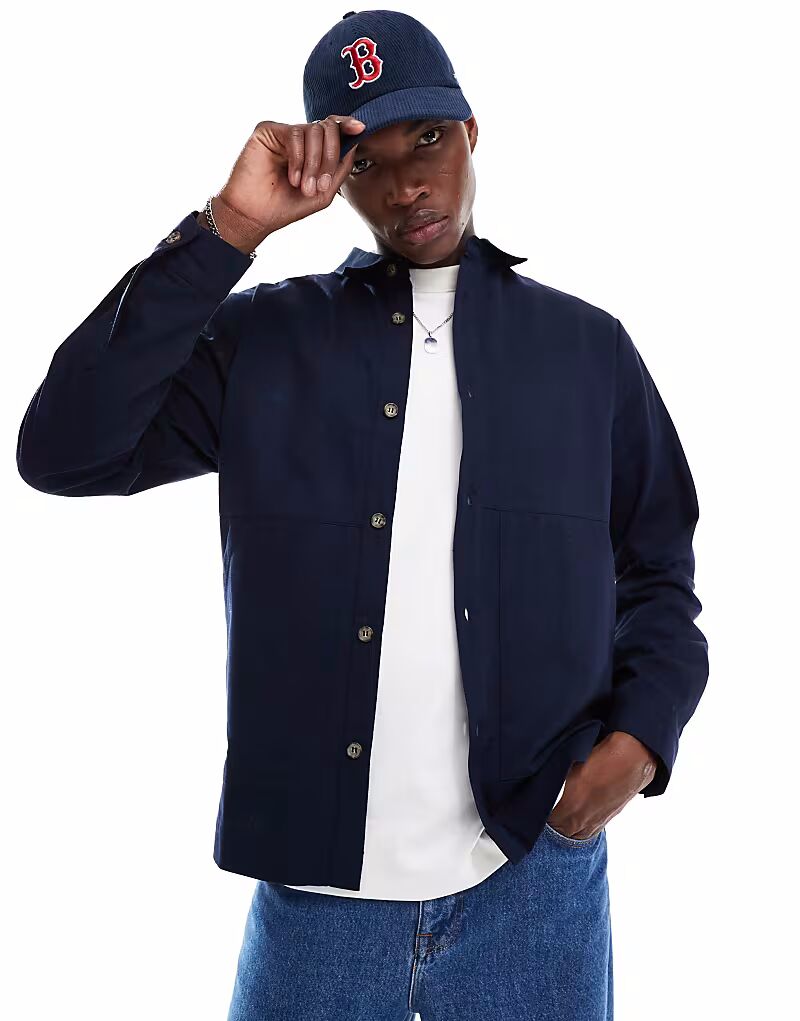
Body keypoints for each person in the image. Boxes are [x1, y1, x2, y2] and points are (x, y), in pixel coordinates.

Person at [16, 9, 708, 1020]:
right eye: (365, 160)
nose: (405, 184)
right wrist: (230, 227)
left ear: (472, 130)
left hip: (531, 882)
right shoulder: (265, 341)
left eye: (426, 139)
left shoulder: (587, 350)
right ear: (333, 179)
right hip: (317, 904)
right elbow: (63, 450)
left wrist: (639, 741)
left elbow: (659, 572)